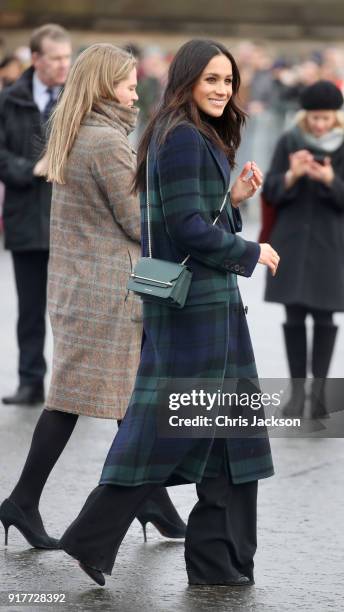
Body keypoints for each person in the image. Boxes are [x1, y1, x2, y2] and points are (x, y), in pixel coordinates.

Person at [56, 38, 280, 588]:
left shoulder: (187, 133)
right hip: (194, 310)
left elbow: (195, 216)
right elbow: (184, 228)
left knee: (232, 435)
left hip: (205, 305)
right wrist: (252, 250)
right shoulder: (180, 136)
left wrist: (234, 199)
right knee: (165, 432)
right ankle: (91, 537)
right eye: (211, 80)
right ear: (186, 81)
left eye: (228, 81)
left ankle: (219, 564)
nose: (222, 90)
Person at [0, 43, 185, 551]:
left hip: (92, 285)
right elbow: (134, 221)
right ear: (105, 86)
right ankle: (23, 500)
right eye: (128, 84)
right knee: (70, 402)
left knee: (130, 399)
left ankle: (149, 499)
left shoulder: (84, 129)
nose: (135, 92)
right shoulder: (105, 141)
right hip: (105, 291)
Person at [262, 80, 344, 419]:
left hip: (328, 243)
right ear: (305, 117)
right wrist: (293, 175)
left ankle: (318, 391)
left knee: (324, 314)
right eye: (314, 118)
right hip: (290, 241)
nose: (320, 125)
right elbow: (271, 191)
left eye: (326, 118)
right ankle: (296, 391)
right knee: (293, 313)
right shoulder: (288, 143)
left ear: (337, 117)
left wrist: (328, 180)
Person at [0, 24, 72, 406]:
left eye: (67, 57)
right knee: (30, 309)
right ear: (36, 59)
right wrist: (32, 168)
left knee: (72, 310)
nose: (64, 65)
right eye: (56, 58)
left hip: (70, 221)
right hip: (26, 217)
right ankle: (31, 381)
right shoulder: (8, 99)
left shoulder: (79, 98)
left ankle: (72, 387)